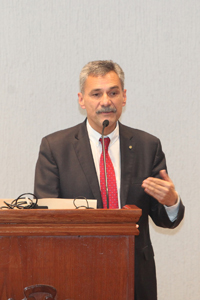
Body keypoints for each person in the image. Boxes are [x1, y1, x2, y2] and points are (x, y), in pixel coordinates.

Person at [34, 60, 184, 300]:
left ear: (124, 97)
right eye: (96, 93)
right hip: (75, 272)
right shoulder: (55, 148)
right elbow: (46, 217)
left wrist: (171, 202)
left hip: (135, 276)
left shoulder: (148, 146)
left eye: (113, 92)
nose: (106, 101)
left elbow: (165, 220)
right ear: (82, 100)